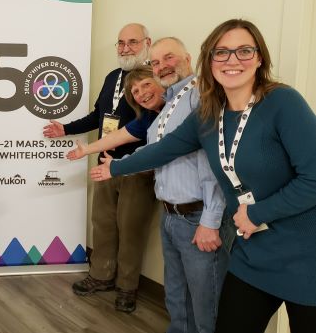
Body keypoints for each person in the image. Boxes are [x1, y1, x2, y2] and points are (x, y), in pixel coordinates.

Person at [91, 20, 316, 333]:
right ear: (209, 61)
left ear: (259, 57)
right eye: (221, 52)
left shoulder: (282, 103)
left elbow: (313, 179)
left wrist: (257, 213)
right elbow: (164, 149)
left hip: (305, 254)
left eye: (244, 50)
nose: (232, 60)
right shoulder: (209, 113)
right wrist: (114, 167)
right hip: (251, 250)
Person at [43, 23, 155, 313]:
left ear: (147, 43)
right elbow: (99, 117)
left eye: (132, 42)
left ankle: (127, 286)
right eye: (120, 43)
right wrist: (65, 128)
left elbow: (150, 128)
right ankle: (102, 275)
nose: (125, 48)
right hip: (103, 164)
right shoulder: (112, 77)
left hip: (135, 169)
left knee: (130, 229)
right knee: (103, 224)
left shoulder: (154, 81)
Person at [66, 65, 165, 161]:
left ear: (161, 81)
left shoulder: (177, 107)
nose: (142, 93)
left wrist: (117, 166)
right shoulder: (146, 117)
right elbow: (118, 137)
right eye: (135, 91)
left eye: (146, 85)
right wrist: (86, 149)